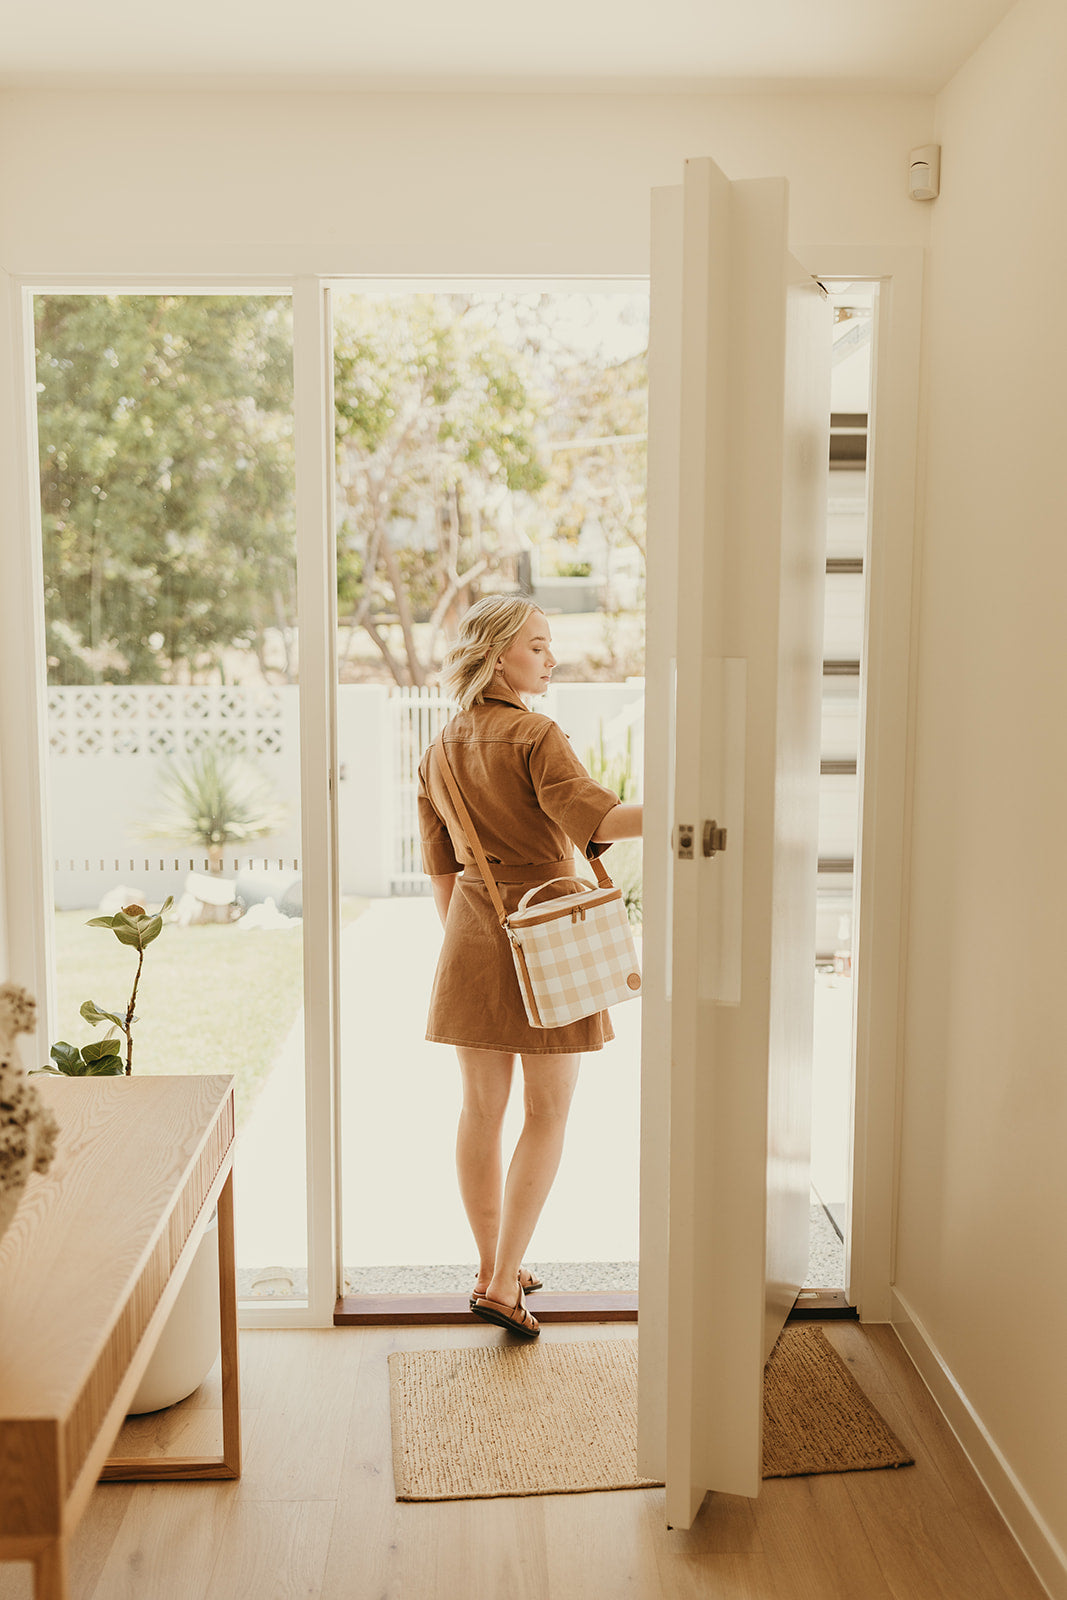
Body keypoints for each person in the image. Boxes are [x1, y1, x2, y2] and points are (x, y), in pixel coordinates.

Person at [416, 597, 642, 1339]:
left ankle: (491, 1265)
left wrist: (471, 941)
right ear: (498, 655)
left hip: (473, 935)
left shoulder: (439, 745)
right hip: (549, 931)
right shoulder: (535, 734)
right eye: (538, 647)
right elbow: (597, 822)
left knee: (479, 1111)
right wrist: (687, 801)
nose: (551, 659)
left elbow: (441, 872)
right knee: (547, 1112)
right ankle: (505, 1284)